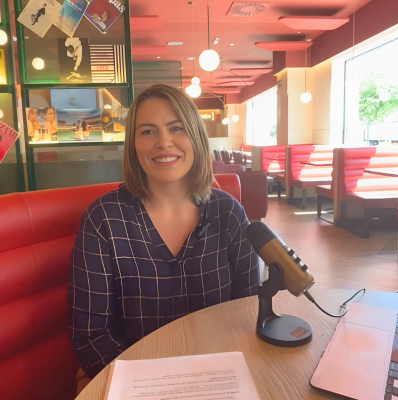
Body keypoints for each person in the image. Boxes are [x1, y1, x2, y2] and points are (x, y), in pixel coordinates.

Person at [67, 84, 260, 379]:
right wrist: (156, 386)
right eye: (147, 132)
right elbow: (91, 337)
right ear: (133, 144)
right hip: (136, 385)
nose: (164, 142)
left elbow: (247, 313)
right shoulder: (103, 219)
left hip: (219, 379)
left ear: (195, 137)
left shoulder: (229, 213)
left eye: (176, 128)